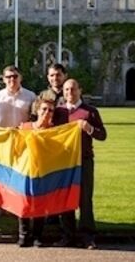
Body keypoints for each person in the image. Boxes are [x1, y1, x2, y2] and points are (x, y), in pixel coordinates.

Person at [54, 79, 107, 250]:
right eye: (66, 89)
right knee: (65, 198)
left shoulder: (90, 111)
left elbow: (102, 135)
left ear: (80, 90)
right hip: (64, 162)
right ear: (63, 92)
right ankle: (68, 235)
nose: (70, 92)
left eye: (73, 89)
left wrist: (89, 128)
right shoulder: (59, 112)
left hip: (84, 160)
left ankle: (87, 236)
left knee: (85, 198)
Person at [0, 65, 36, 218]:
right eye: (8, 77)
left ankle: (18, 207)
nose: (12, 79)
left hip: (23, 143)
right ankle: (1, 207)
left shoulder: (30, 96)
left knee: (21, 176)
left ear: (20, 77)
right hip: (3, 142)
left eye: (15, 76)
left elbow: (34, 119)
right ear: (3, 79)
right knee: (2, 176)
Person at [16, 98, 55, 247]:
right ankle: (24, 234)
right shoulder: (25, 127)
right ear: (37, 110)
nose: (47, 112)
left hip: (44, 171)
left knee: (40, 202)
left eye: (50, 110)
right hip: (25, 170)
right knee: (24, 202)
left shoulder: (55, 131)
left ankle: (37, 236)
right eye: (44, 109)